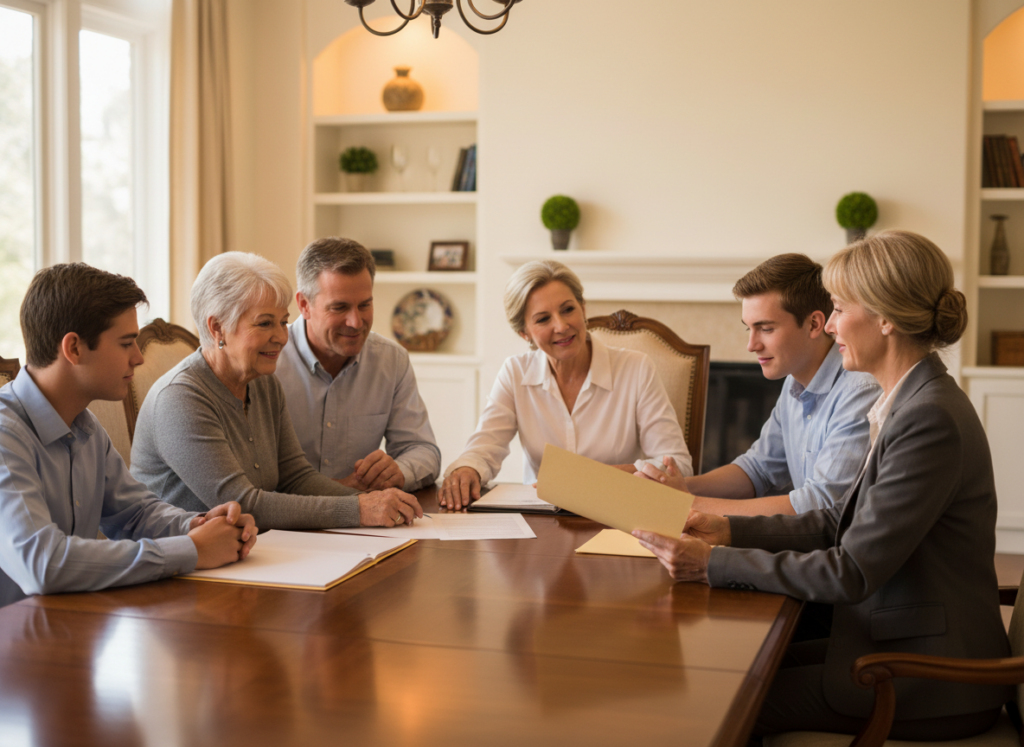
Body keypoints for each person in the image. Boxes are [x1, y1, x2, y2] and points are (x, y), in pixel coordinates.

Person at [634, 230, 1011, 740]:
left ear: (885, 318)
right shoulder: (909, 401)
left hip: (929, 675)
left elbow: (851, 570)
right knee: (727, 669)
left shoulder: (928, 419)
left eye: (837, 309)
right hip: (892, 637)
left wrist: (711, 563)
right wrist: (726, 529)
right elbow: (839, 522)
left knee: (718, 702)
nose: (829, 325)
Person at [0, 263, 258, 608]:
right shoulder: (5, 437)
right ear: (74, 348)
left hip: (67, 624)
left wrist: (199, 525)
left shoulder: (85, 426)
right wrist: (192, 549)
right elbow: (43, 564)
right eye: (126, 343)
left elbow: (134, 516)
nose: (138, 358)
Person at [130, 252, 422, 530]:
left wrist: (369, 502)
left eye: (283, 322)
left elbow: (297, 477)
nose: (282, 337)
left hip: (249, 550)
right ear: (218, 327)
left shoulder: (263, 382)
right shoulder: (180, 398)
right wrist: (359, 510)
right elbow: (242, 503)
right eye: (265, 323)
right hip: (178, 564)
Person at [638, 253, 880, 516]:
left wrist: (689, 504)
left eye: (766, 329)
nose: (752, 345)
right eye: (748, 329)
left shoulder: (860, 390)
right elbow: (758, 469)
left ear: (814, 324)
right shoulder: (794, 382)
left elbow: (822, 503)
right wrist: (677, 488)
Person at [439, 259, 692, 509]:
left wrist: (590, 478)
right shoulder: (515, 372)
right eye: (542, 319)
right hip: (543, 521)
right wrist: (466, 468)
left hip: (620, 515)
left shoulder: (636, 368)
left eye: (568, 309)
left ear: (583, 308)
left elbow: (677, 466)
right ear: (524, 333)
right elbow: (483, 449)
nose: (561, 326)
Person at [275, 237, 441, 492]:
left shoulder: (391, 360)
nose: (355, 321)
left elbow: (423, 450)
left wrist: (399, 471)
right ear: (304, 305)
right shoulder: (268, 360)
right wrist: (335, 491)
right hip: (281, 523)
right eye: (339, 307)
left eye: (365, 305)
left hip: (366, 518)